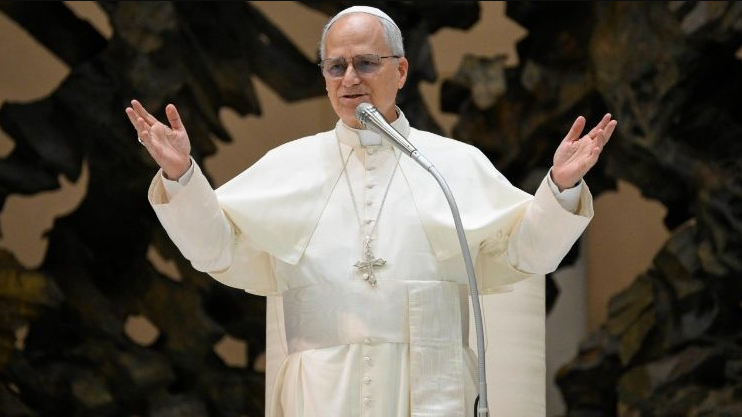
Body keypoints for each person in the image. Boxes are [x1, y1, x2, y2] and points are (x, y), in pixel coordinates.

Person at [125, 6, 616, 417]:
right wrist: (181, 175)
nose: (350, 79)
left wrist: (561, 187)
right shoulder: (288, 165)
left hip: (430, 386)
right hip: (321, 391)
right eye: (335, 67)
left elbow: (529, 255)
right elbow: (215, 249)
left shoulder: (451, 164)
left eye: (365, 63)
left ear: (400, 71)